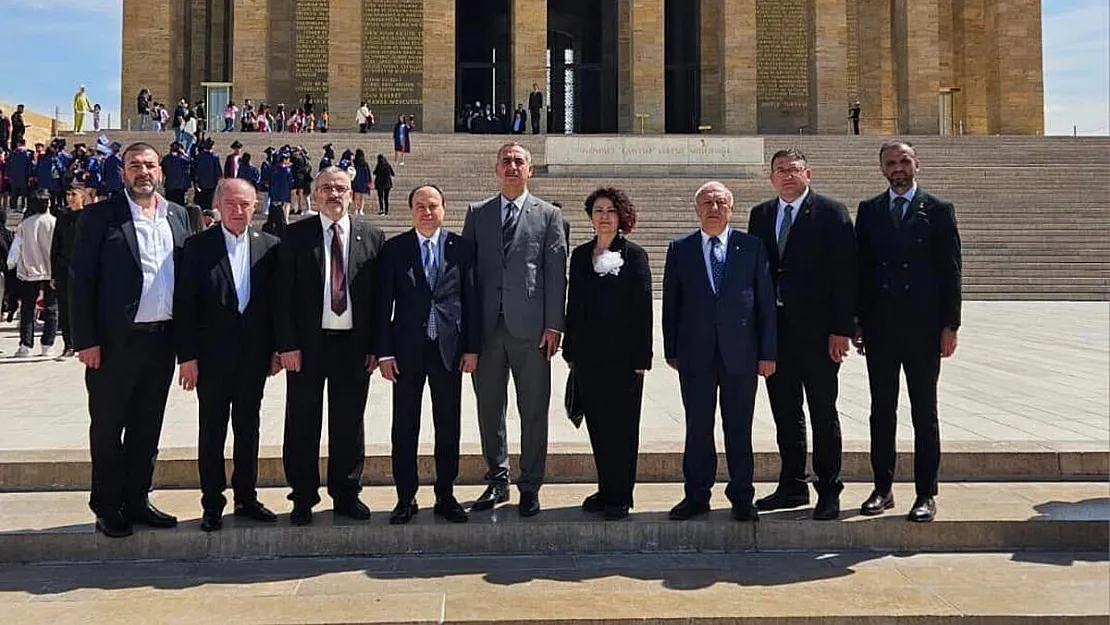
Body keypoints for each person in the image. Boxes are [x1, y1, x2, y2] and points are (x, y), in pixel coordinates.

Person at [70, 142, 191, 538]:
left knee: (147, 426)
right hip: (112, 343)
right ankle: (107, 505)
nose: (143, 172)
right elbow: (81, 282)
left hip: (161, 341)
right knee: (108, 427)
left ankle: (138, 499)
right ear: (123, 173)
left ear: (162, 172)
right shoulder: (100, 217)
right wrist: (84, 340)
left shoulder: (179, 216)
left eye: (150, 166)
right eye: (135, 165)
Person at [854, 140, 962, 523]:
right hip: (881, 327)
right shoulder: (869, 211)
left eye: (904, 162)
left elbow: (950, 271)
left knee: (924, 412)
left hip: (923, 328)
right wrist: (857, 322)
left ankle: (925, 493)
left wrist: (950, 325)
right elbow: (861, 270)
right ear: (882, 169)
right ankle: (882, 489)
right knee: (881, 411)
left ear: (917, 164)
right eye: (890, 163)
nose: (897, 168)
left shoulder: (937, 209)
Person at [747, 149, 857, 521]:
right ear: (771, 177)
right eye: (781, 171)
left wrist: (842, 329)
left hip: (819, 334)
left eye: (794, 170)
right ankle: (792, 484)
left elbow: (845, 275)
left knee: (823, 412)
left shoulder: (831, 212)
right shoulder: (761, 215)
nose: (788, 176)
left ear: (808, 172)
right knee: (785, 412)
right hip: (777, 335)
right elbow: (755, 276)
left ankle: (829, 489)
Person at [274, 166, 386, 526]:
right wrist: (287, 345)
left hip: (354, 346)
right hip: (307, 347)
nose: (334, 194)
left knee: (349, 423)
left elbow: (380, 302)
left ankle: (347, 493)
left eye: (341, 188)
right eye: (326, 188)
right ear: (315, 194)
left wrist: (376, 345)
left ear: (352, 194)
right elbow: (283, 297)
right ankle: (303, 496)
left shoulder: (371, 236)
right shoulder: (294, 236)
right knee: (302, 421)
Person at [462, 143, 568, 517]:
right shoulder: (477, 213)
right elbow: (468, 275)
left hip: (532, 330)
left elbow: (557, 272)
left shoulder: (550, 215)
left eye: (518, 161)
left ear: (530, 170)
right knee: (490, 409)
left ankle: (531, 484)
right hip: (488, 330)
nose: (512, 166)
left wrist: (554, 324)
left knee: (534, 410)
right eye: (506, 161)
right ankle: (497, 479)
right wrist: (468, 332)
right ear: (496, 169)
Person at [661, 181, 776, 522]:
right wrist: (671, 349)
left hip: (741, 352)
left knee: (738, 426)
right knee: (698, 426)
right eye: (707, 202)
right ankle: (696, 494)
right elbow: (671, 304)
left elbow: (765, 303)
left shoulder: (751, 247)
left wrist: (767, 351)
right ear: (697, 209)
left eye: (720, 202)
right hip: (695, 353)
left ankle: (742, 495)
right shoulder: (680, 248)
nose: (713, 207)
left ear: (731, 208)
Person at [174, 179, 282, 532]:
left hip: (253, 358)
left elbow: (274, 307)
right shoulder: (196, 247)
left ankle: (247, 497)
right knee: (212, 431)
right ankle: (212, 503)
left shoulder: (270, 246)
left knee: (248, 429)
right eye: (232, 204)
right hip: (211, 359)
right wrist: (187, 357)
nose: (239, 211)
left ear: (256, 206)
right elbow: (185, 306)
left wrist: (276, 351)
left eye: (246, 204)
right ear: (218, 205)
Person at [377, 184, 479, 525]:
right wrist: (384, 354)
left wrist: (472, 348)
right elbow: (382, 306)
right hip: (406, 353)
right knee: (404, 426)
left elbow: (471, 301)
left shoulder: (461, 249)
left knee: (447, 425)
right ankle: (405, 497)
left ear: (444, 209)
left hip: (448, 351)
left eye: (433, 205)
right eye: (420, 205)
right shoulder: (395, 249)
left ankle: (445, 495)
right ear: (411, 210)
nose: (426, 211)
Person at [562, 187, 652, 521]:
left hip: (625, 359)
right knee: (598, 426)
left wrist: (642, 358)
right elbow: (574, 305)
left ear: (621, 216)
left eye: (610, 211)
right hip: (589, 357)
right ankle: (606, 486)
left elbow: (643, 308)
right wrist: (570, 349)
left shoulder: (635, 255)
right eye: (598, 210)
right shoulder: (581, 255)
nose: (604, 216)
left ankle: (621, 495)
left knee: (623, 428)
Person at [6, 191, 57, 358]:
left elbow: (16, 248)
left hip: (29, 271)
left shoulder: (25, 225)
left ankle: (25, 345)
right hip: (50, 271)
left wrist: (11, 264)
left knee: (27, 309)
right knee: (51, 309)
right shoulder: (54, 223)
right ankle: (47, 345)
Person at [50, 182, 88, 358]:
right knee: (65, 307)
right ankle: (69, 344)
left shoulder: (89, 216)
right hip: (64, 267)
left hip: (84, 268)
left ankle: (87, 341)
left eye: (73, 194)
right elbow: (55, 246)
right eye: (68, 195)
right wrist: (53, 273)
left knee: (85, 305)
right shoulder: (63, 217)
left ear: (82, 196)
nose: (70, 198)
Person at [193, 139, 222, 211]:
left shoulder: (199, 156)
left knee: (202, 200)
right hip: (211, 182)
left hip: (201, 182)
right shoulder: (214, 157)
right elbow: (217, 170)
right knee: (210, 201)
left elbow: (195, 169)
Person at [161, 141, 192, 206]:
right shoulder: (183, 159)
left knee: (169, 205)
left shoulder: (166, 158)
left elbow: (163, 169)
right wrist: (184, 154)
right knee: (180, 206)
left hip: (169, 185)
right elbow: (191, 161)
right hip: (180, 187)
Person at [351, 149, 372, 216]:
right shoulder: (365, 164)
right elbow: (368, 173)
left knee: (356, 196)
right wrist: (369, 181)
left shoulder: (354, 163)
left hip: (356, 180)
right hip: (364, 181)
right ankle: (361, 209)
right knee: (362, 197)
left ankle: (356, 209)